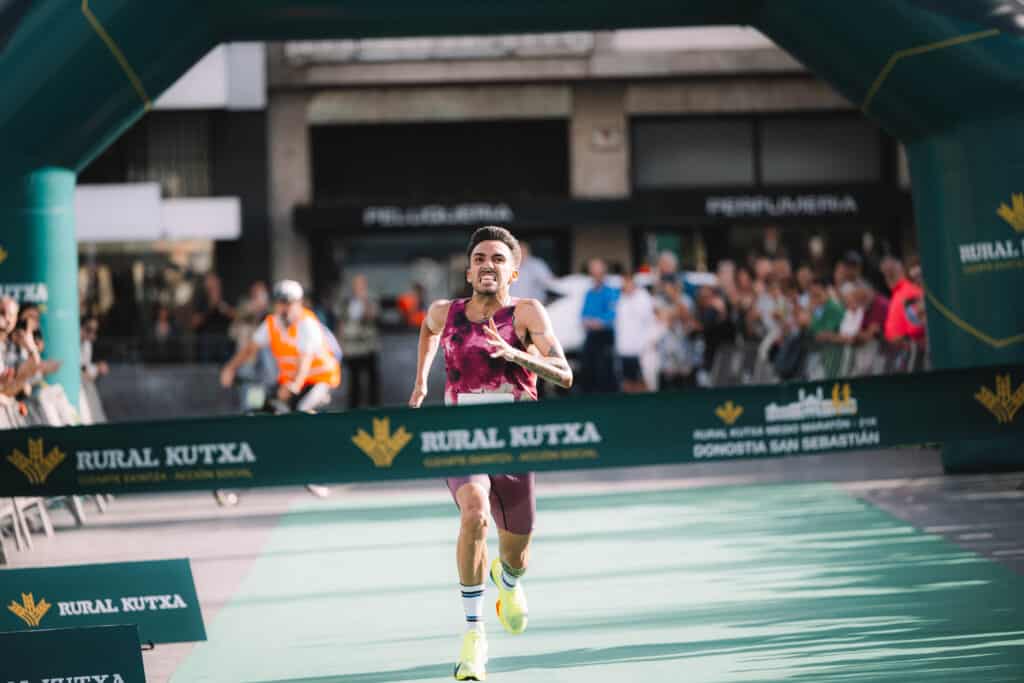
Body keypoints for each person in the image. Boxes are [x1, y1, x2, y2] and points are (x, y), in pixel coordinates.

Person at [408, 226, 572, 682]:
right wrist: (422, 380)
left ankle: (509, 581)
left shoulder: (526, 313)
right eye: (480, 258)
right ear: (468, 270)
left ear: (513, 272)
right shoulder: (446, 312)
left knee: (517, 553)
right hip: (461, 436)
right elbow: (427, 329)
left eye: (498, 259)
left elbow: (564, 374)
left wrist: (519, 357)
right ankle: (474, 635)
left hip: (516, 440)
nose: (488, 265)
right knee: (474, 514)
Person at [218, 280, 341, 505]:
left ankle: (315, 473)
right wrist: (231, 368)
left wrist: (295, 385)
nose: (283, 308)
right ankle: (242, 480)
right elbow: (250, 348)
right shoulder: (272, 323)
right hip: (288, 382)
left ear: (298, 303)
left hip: (319, 380)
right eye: (280, 303)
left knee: (301, 412)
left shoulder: (307, 324)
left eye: (288, 303)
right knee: (258, 412)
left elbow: (305, 361)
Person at [337, 274, 381, 409]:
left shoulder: (371, 300)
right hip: (352, 347)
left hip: (368, 346)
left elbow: (372, 316)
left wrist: (364, 300)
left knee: (372, 379)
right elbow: (341, 322)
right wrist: (340, 344)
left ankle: (374, 406)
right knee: (354, 380)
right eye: (356, 284)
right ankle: (353, 407)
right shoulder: (346, 302)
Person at [580, 258, 619, 393]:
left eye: (598, 271)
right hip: (591, 335)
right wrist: (588, 322)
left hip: (606, 336)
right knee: (588, 368)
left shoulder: (611, 291)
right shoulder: (589, 293)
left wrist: (598, 322)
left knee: (605, 370)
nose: (595, 275)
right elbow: (583, 315)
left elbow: (612, 314)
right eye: (593, 271)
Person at [614, 271, 656, 393]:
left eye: (627, 283)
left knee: (643, 382)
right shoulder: (621, 299)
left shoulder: (643, 297)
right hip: (624, 349)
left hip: (641, 349)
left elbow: (649, 320)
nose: (625, 286)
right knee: (626, 382)